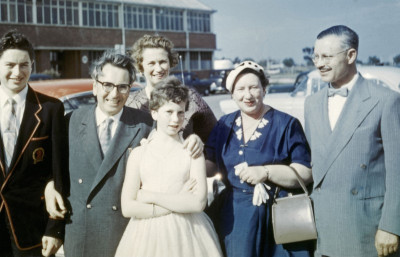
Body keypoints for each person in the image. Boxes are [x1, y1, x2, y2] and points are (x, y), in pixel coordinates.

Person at [304, 25, 400, 257]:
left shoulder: (386, 101)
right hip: (323, 228)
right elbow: (314, 163)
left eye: (327, 56)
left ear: (351, 55)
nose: (319, 63)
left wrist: (391, 226)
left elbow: (398, 170)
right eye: (315, 56)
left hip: (368, 229)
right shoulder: (312, 103)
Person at [205, 61, 314, 257]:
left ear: (264, 89)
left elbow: (305, 172)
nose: (248, 95)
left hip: (277, 216)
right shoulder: (224, 124)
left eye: (254, 87)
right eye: (240, 89)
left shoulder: (286, 124)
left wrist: (266, 172)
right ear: (232, 93)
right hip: (235, 217)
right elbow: (210, 164)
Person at [115, 76, 223, 257]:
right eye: (169, 112)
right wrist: (178, 200)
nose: (176, 119)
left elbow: (198, 203)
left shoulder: (192, 153)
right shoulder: (139, 154)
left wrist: (149, 196)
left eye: (181, 112)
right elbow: (128, 207)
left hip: (189, 232)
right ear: (154, 113)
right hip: (146, 234)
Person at [62, 50, 153, 257]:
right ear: (95, 86)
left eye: (123, 87)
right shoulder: (70, 122)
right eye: (108, 85)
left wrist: (191, 142)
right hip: (80, 236)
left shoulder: (146, 125)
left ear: (130, 89)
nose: (114, 94)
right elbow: (52, 171)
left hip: (127, 235)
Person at [0, 30, 67, 256]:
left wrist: (55, 229)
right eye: (10, 64)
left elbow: (58, 173)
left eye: (24, 65)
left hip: (30, 229)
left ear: (33, 65)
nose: (17, 72)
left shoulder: (51, 109)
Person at [125, 34, 217, 155]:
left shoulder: (191, 97)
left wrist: (208, 162)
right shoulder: (129, 104)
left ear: (170, 63)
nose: (158, 69)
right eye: (151, 63)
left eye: (162, 62)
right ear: (141, 67)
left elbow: (216, 139)